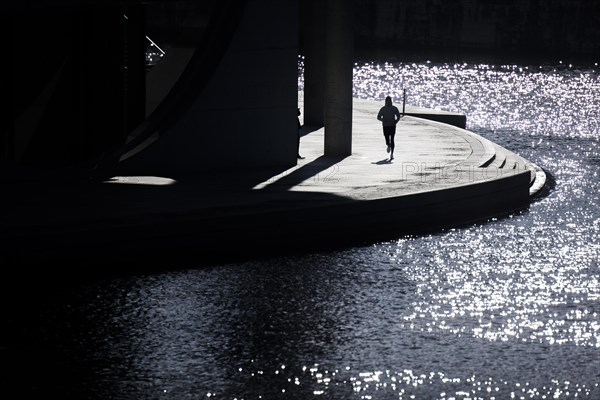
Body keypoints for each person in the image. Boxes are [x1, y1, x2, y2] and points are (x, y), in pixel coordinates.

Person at [377, 96, 402, 160]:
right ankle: (388, 145)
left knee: (392, 139)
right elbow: (378, 117)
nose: (388, 102)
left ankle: (392, 154)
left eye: (389, 100)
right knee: (387, 139)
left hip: (392, 125)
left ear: (391, 101)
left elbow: (398, 116)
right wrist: (383, 120)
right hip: (385, 126)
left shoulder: (394, 108)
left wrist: (396, 121)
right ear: (385, 101)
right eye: (387, 101)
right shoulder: (383, 109)